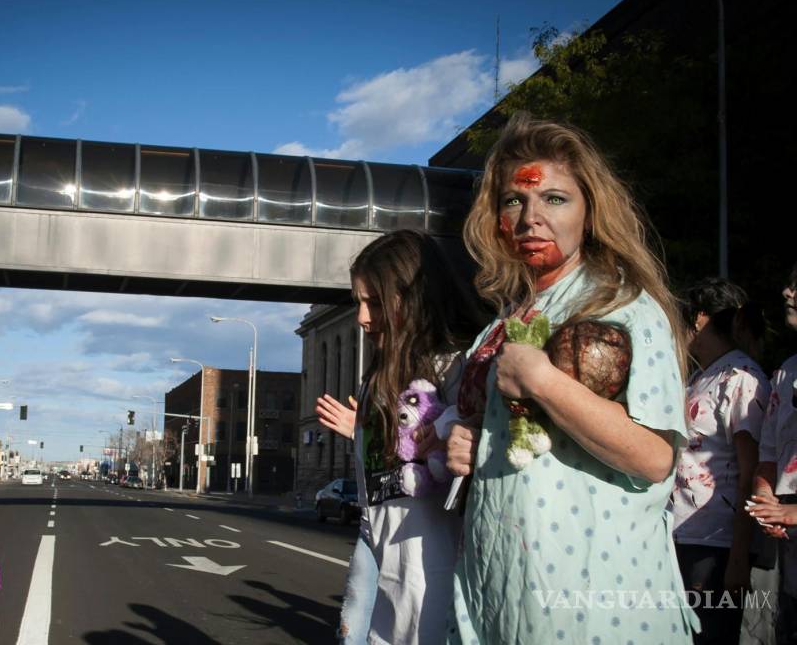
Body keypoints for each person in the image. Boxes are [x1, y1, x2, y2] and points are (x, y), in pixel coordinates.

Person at [444, 112, 698, 642]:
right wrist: (471, 438)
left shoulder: (619, 304)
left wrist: (544, 381)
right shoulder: (507, 317)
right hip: (502, 591)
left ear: (589, 211)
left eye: (555, 199)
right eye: (514, 200)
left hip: (585, 604)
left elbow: (654, 457)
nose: (530, 217)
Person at [316, 229, 487, 644]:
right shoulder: (380, 374)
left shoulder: (459, 364)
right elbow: (382, 481)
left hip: (434, 562)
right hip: (381, 549)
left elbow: (485, 457)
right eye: (358, 302)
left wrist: (461, 433)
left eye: (374, 302)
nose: (361, 318)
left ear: (414, 298)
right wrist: (363, 433)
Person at [672, 278, 769, 644]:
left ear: (699, 319)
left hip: (716, 543)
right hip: (681, 533)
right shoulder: (701, 376)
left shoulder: (741, 378)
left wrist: (740, 557)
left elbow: (751, 472)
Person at [748, 262, 797, 644]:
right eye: (789, 282)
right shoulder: (785, 372)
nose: (787, 292)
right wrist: (765, 498)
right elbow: (768, 451)